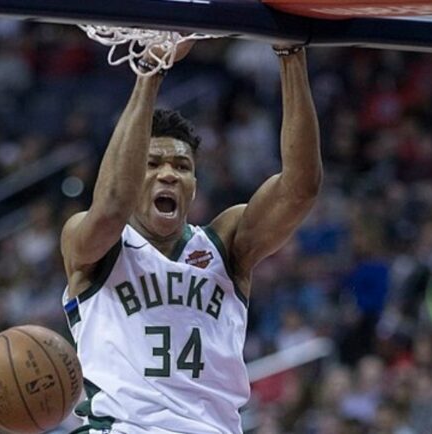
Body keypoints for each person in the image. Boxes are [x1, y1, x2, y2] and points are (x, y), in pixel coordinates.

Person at [61, 41, 322, 434]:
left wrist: (291, 54)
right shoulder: (94, 241)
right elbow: (113, 204)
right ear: (132, 175)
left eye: (181, 166)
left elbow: (301, 187)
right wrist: (151, 69)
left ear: (194, 186)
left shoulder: (227, 241)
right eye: (153, 163)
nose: (169, 174)